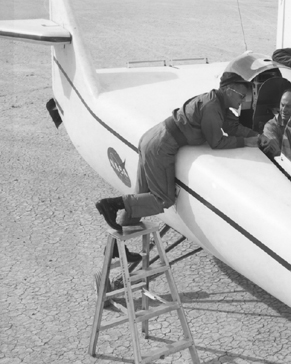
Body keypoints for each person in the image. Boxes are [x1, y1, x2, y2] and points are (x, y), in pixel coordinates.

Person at [95, 72, 272, 259]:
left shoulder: (217, 102)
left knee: (139, 199)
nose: (243, 102)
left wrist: (256, 136)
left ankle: (115, 247)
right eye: (241, 96)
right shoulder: (211, 106)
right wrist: (246, 143)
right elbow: (217, 142)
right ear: (229, 91)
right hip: (161, 146)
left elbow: (232, 127)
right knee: (163, 199)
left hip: (152, 137)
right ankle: (112, 204)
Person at [261, 88, 291, 157]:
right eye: (282, 105)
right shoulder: (271, 126)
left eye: (288, 106)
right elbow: (276, 152)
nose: (283, 110)